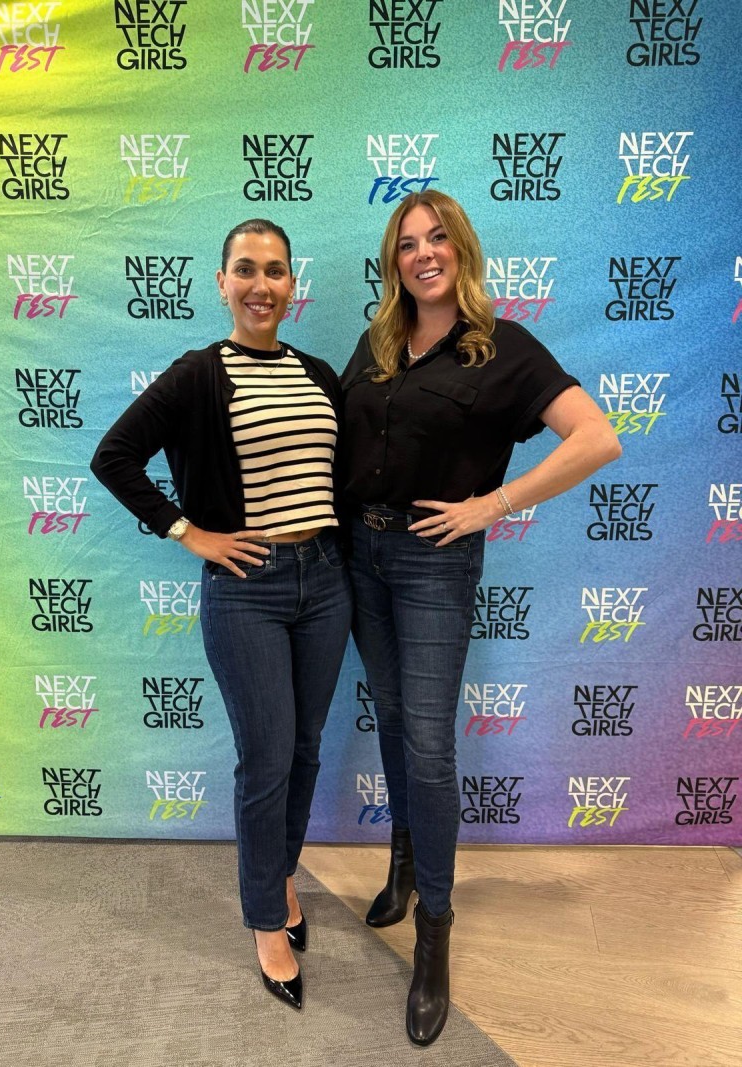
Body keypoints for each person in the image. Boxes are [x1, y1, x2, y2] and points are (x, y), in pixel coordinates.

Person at [341, 190, 621, 1046]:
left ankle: (435, 930)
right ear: (394, 261)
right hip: (362, 555)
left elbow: (597, 438)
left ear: (461, 249)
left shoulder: (501, 346)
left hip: (434, 563)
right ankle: (404, 864)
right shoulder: (380, 340)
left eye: (436, 239)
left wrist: (490, 504)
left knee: (428, 741)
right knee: (390, 718)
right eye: (406, 243)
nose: (422, 254)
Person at [91, 218, 352, 1011]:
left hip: (327, 583)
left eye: (275, 270)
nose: (261, 284)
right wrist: (189, 532)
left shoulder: (319, 372)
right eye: (246, 269)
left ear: (292, 285)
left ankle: (278, 873)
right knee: (266, 758)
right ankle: (266, 920)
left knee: (305, 749)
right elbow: (114, 457)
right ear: (221, 282)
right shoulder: (200, 373)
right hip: (248, 589)